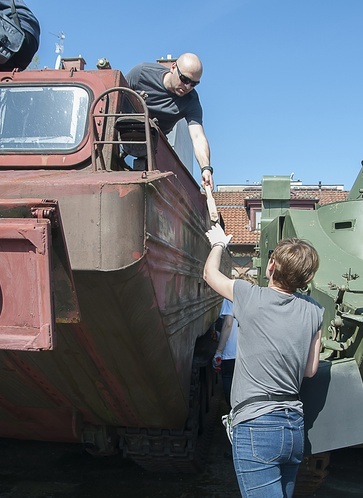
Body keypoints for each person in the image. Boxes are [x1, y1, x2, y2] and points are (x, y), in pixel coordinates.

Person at [203, 224, 324, 498]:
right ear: (306, 278)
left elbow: (209, 274)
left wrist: (219, 244)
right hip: (293, 424)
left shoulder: (250, 296)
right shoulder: (315, 311)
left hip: (256, 424)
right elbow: (310, 370)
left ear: (271, 266)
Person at [125, 53, 214, 189]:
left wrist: (206, 168)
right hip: (122, 133)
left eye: (194, 84)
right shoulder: (141, 73)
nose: (188, 87)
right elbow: (116, 97)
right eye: (184, 79)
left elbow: (198, 137)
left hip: (155, 145)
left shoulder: (191, 101)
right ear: (173, 68)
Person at [213, 275, 256, 406]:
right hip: (251, 354)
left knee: (230, 390)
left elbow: (228, 324)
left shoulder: (230, 297)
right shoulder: (256, 299)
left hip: (231, 353)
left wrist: (219, 351)